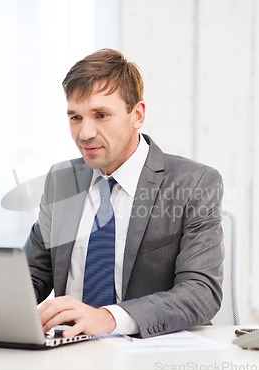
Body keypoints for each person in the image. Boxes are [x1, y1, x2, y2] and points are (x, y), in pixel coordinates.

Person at [23, 48, 224, 339]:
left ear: (137, 115)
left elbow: (201, 293)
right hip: (68, 352)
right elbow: (32, 274)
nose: (85, 133)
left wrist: (108, 318)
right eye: (75, 118)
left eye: (101, 115)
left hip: (150, 354)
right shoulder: (61, 181)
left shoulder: (194, 183)